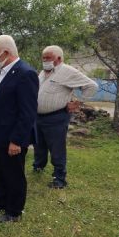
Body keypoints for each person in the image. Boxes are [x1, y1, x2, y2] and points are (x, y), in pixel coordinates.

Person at [0, 35, 38, 223]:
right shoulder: (5, 71)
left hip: (11, 137)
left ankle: (14, 211)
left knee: (14, 174)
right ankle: (1, 201)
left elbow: (27, 112)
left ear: (6, 53)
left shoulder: (25, 73)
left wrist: (17, 140)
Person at [34, 45, 98, 189]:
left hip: (56, 117)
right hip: (38, 116)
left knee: (57, 148)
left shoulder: (67, 71)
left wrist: (77, 102)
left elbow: (92, 86)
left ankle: (59, 178)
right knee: (39, 144)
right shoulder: (43, 72)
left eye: (48, 58)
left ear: (58, 58)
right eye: (43, 58)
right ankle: (38, 167)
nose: (45, 60)